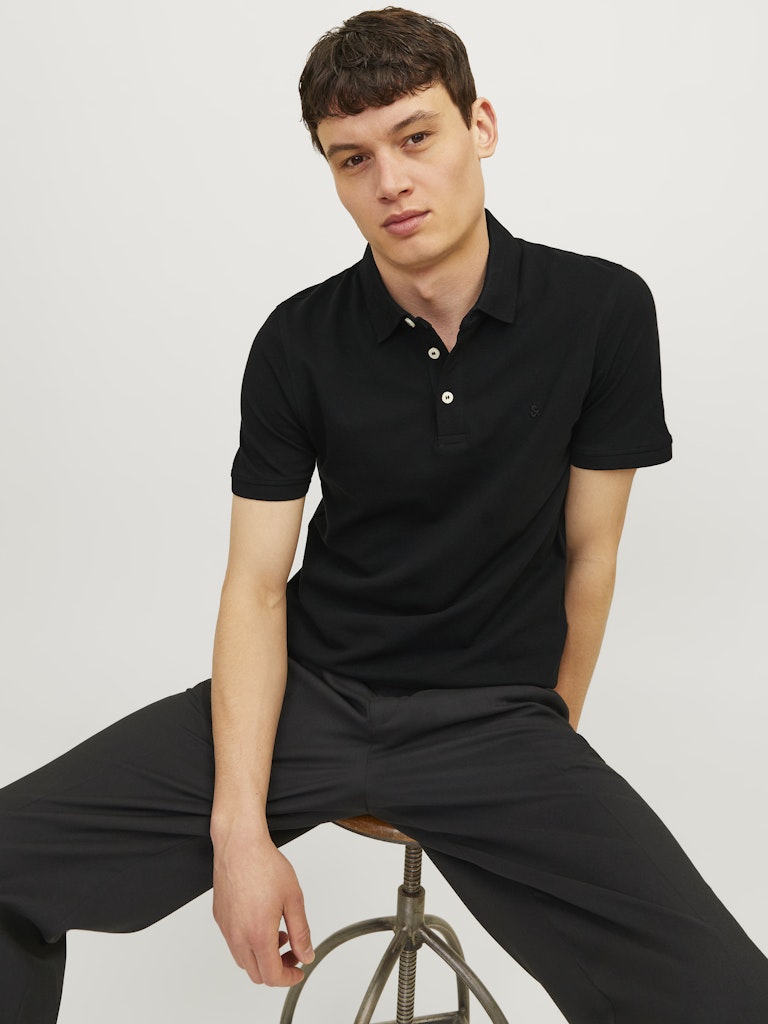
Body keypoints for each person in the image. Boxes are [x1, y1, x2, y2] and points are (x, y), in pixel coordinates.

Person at [1, 7, 767, 1022]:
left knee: (724, 994)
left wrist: (552, 731)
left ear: (479, 126)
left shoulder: (603, 311)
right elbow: (256, 586)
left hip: (494, 714)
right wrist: (240, 834)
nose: (390, 182)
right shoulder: (298, 339)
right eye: (351, 158)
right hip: (309, 697)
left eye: (416, 137)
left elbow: (592, 552)